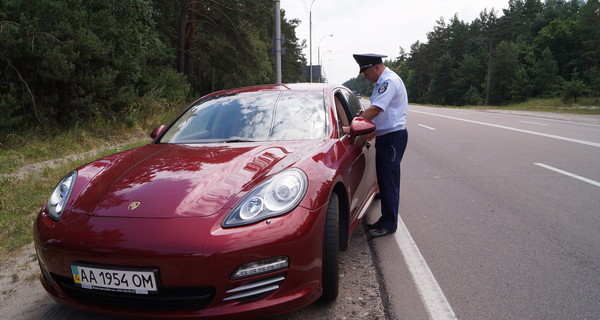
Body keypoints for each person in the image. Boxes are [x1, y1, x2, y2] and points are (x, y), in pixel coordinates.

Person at [353, 53, 408, 238]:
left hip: (393, 137)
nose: (364, 76)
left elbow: (376, 109)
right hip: (386, 136)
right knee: (384, 182)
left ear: (376, 68)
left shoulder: (389, 81)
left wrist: (355, 124)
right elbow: (377, 111)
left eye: (366, 72)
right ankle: (385, 219)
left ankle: (389, 224)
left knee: (389, 182)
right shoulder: (381, 83)